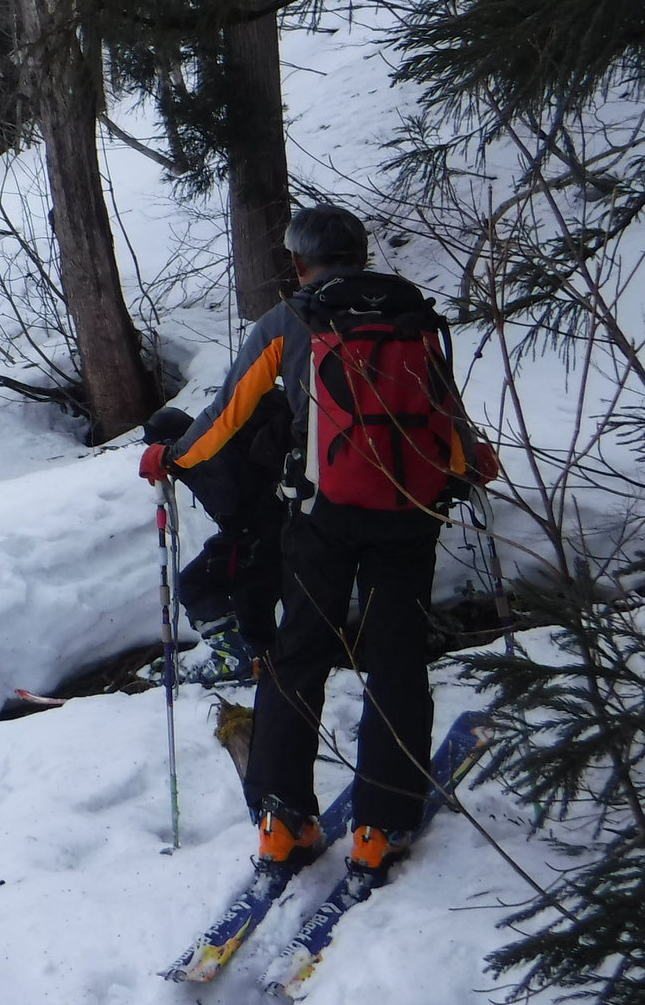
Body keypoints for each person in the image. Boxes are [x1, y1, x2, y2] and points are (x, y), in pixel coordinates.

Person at [138, 205, 496, 884]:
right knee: (396, 656)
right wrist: (472, 459)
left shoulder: (290, 319)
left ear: (298, 263)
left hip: (321, 515)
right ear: (360, 254)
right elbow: (444, 414)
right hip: (409, 513)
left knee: (297, 653)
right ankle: (379, 828)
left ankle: (283, 822)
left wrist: (172, 455)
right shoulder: (412, 316)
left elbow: (227, 413)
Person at [141, 400, 286, 682]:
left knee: (201, 584)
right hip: (261, 534)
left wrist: (181, 467)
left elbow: (225, 500)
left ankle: (240, 660)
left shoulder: (211, 453)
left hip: (259, 540)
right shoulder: (214, 439)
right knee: (247, 603)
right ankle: (255, 660)